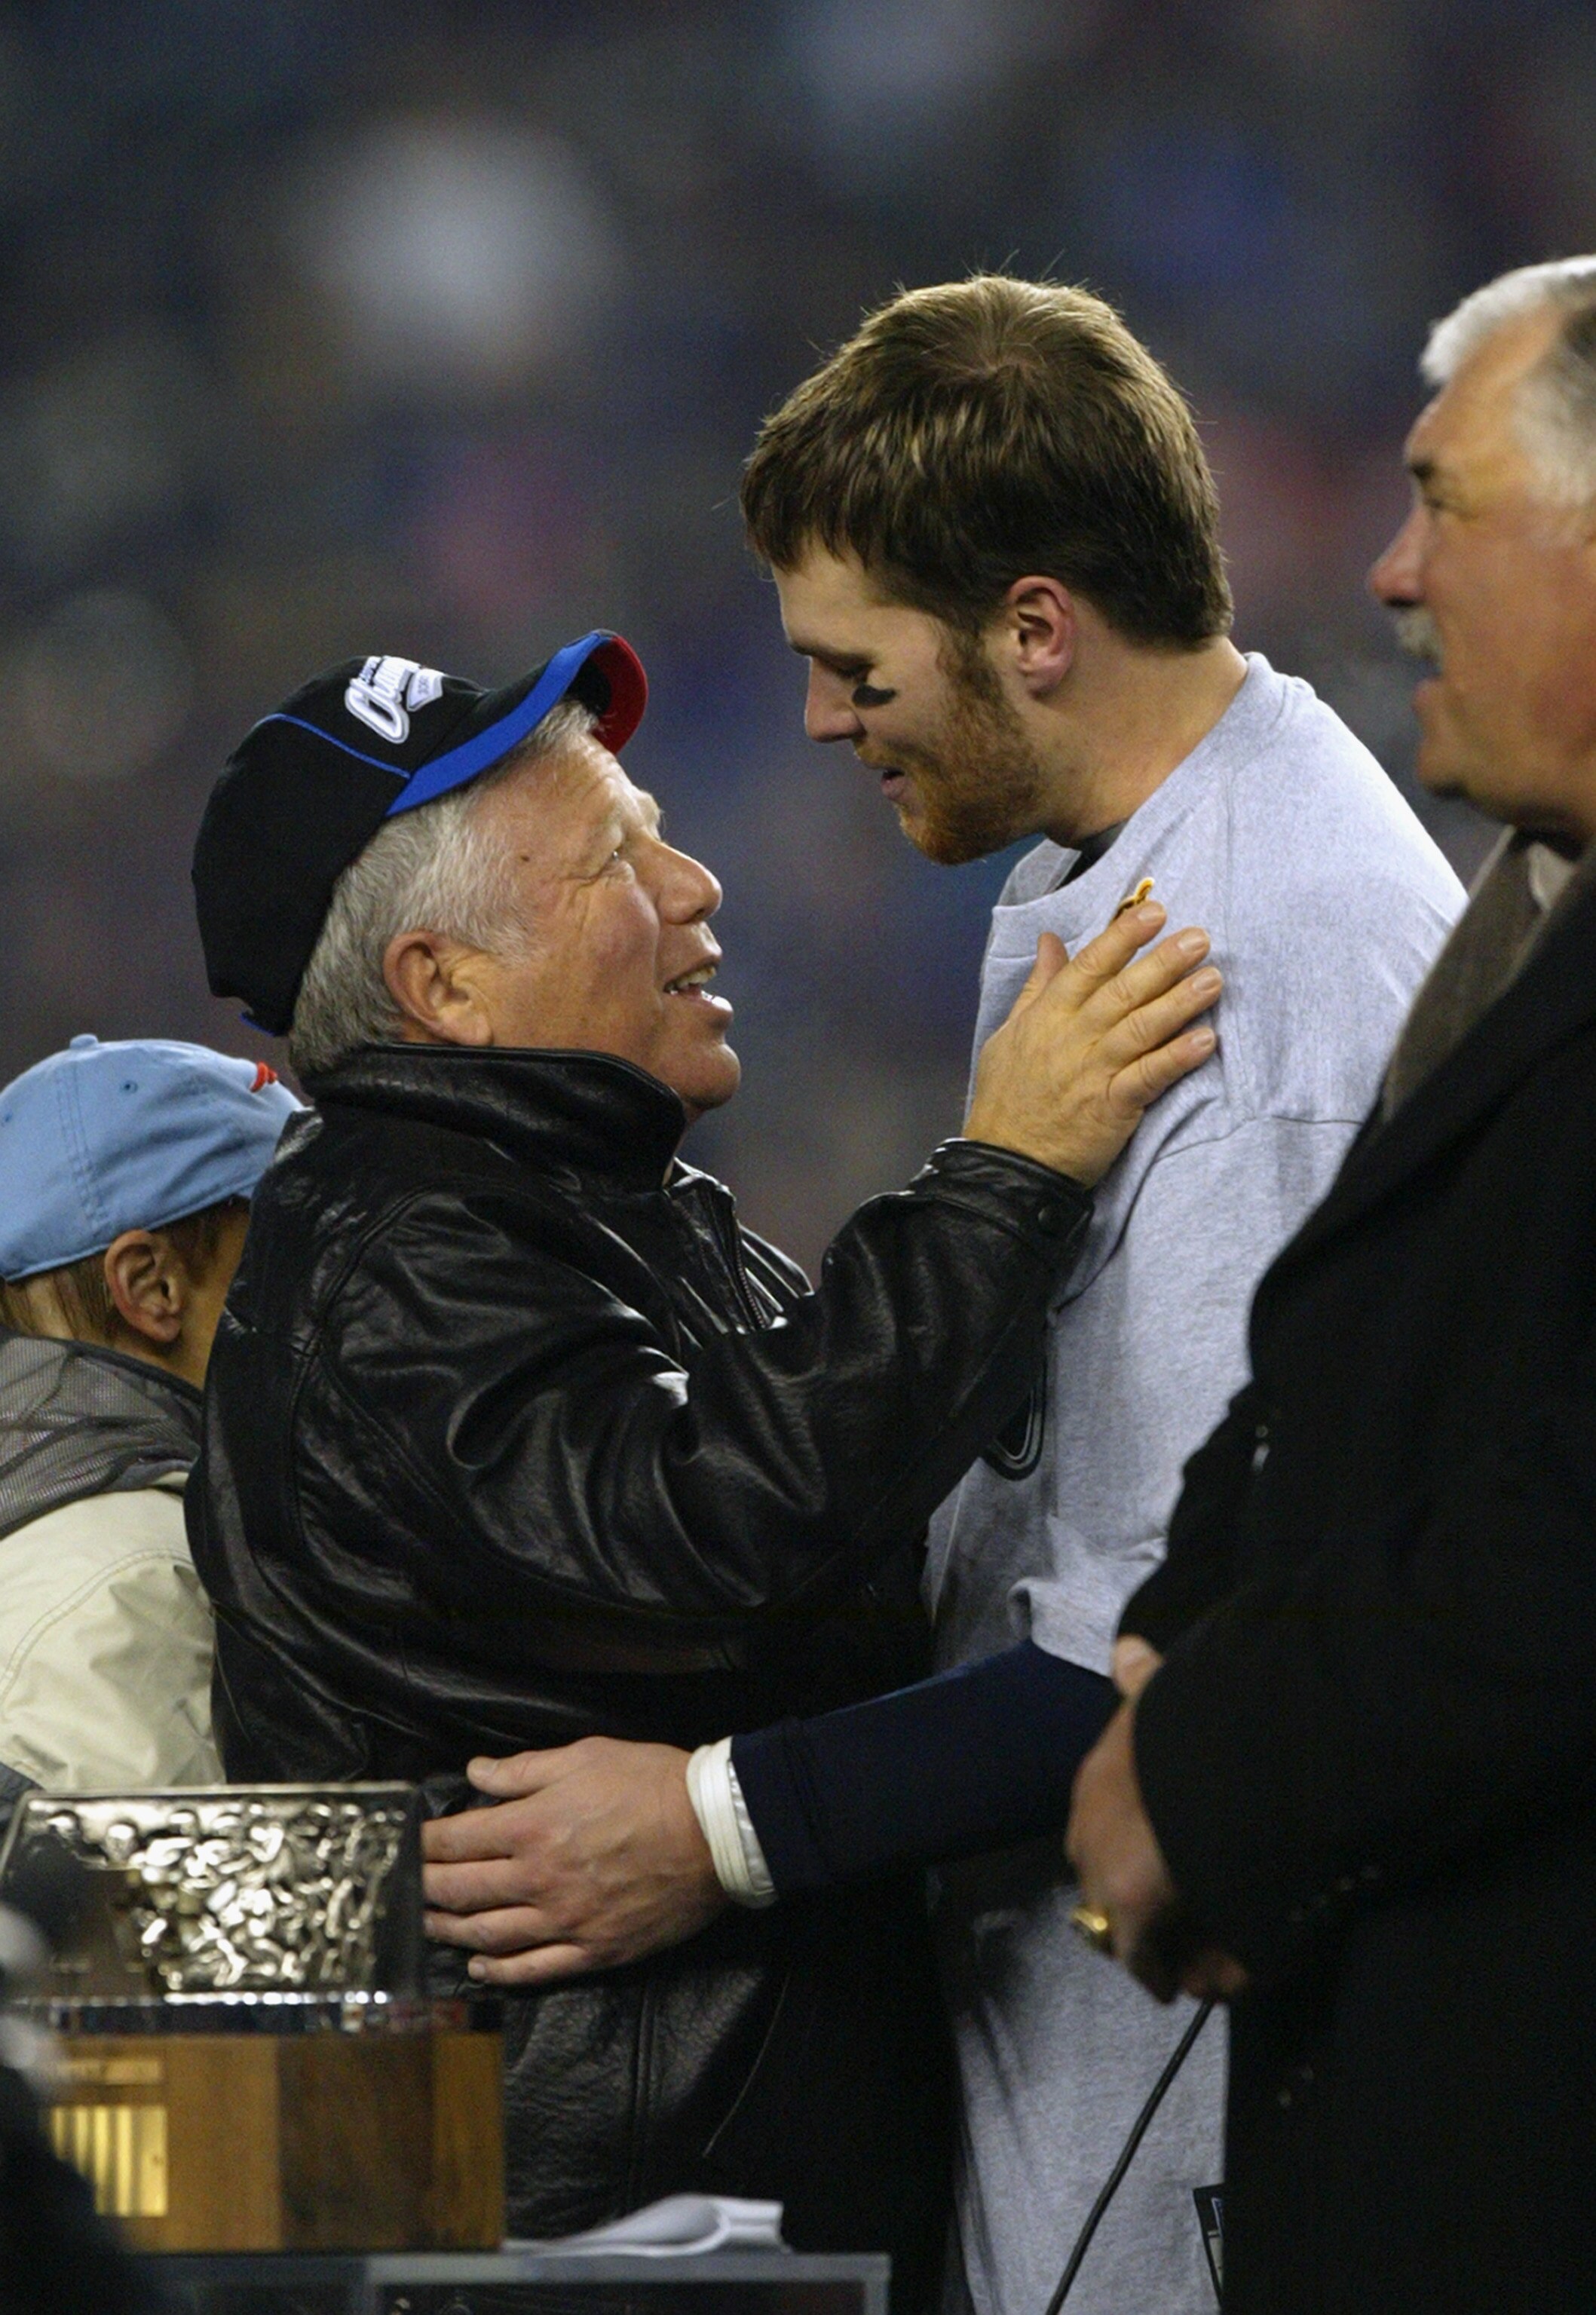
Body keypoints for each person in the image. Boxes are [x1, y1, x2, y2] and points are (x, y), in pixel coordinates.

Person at [419, 278, 1464, 2315]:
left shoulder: (1258, 966)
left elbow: (1177, 1634)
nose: (816, 719)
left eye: (853, 664)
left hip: (1183, 2070)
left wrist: (715, 1822)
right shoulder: (1117, 855)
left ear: (1034, 627)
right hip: (1048, 2006)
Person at [185, 628, 1221, 2301]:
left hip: (668, 2207)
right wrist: (1002, 1178)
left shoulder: (576, 1206)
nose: (690, 879)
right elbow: (709, 1531)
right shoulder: (399, 1262)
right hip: (591, 2236)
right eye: (611, 854)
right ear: (442, 985)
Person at [1065, 254, 1596, 2313]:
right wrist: (1160, 1644)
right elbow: (1346, 1371)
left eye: (1440, 502)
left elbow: (1561, 1533)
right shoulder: (1522, 924)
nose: (1385, 575)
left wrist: (1199, 1771)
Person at [0, 1033, 298, 1808]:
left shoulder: (55, 1525)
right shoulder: (140, 1579)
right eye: (290, 1249)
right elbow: (148, 1929)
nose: (330, 1292)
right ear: (152, 1284)